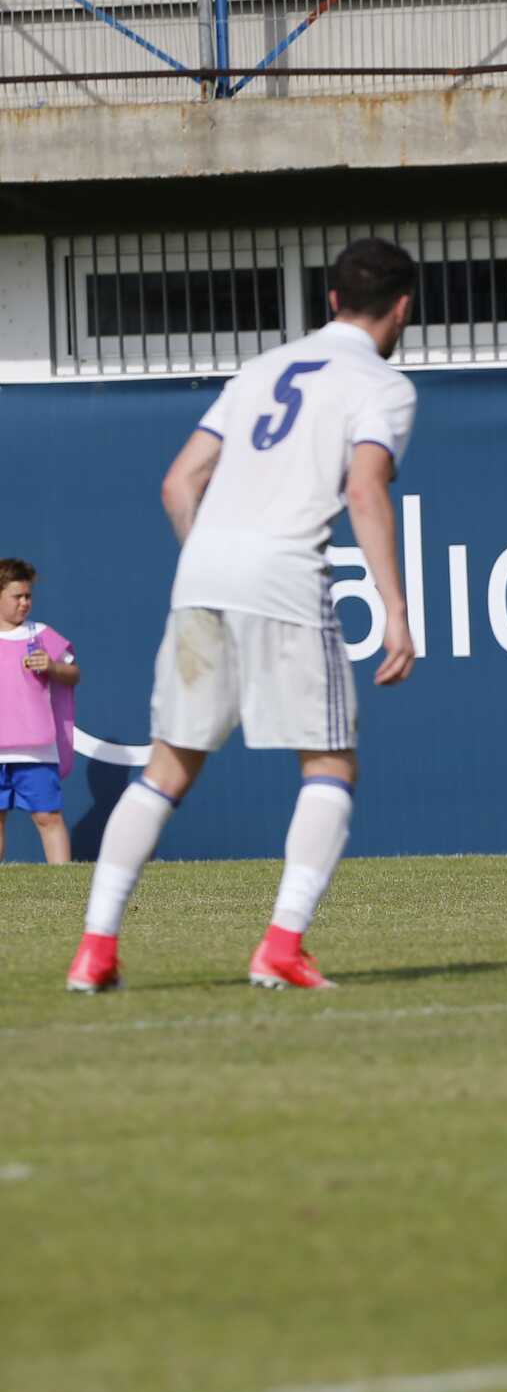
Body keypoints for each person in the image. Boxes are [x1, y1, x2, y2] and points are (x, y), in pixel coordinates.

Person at [66, 238, 423, 994]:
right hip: (285, 577)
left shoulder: (260, 369)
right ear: (402, 308)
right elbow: (365, 490)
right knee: (329, 763)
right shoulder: (381, 384)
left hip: (202, 577)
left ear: (332, 299)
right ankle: (282, 946)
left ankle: (94, 950)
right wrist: (395, 608)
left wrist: (212, 561)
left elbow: (178, 483)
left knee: (166, 769)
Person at [0, 558, 80, 867]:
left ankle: (63, 886)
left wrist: (52, 666)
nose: (24, 603)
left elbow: (74, 675)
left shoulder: (42, 633)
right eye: (16, 596)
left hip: (36, 750)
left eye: (28, 596)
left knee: (48, 818)